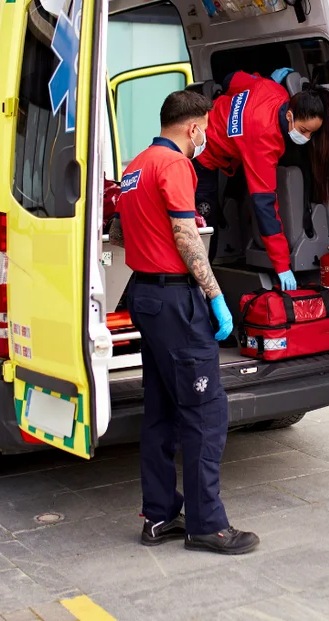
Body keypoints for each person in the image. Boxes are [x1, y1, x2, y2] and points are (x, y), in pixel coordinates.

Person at [112, 89, 259, 555]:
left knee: (160, 410)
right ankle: (206, 525)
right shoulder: (176, 165)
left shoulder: (135, 166)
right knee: (205, 413)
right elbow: (185, 234)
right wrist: (216, 298)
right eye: (205, 132)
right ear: (192, 127)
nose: (205, 141)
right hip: (176, 301)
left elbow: (119, 232)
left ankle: (158, 517)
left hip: (145, 297)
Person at [193, 68, 329, 289]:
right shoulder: (264, 141)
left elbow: (230, 79)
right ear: (289, 115)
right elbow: (264, 205)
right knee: (204, 234)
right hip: (201, 154)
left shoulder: (272, 89)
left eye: (312, 134)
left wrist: (262, 80)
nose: (306, 138)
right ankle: (199, 292)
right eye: (304, 130)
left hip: (213, 126)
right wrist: (282, 265)